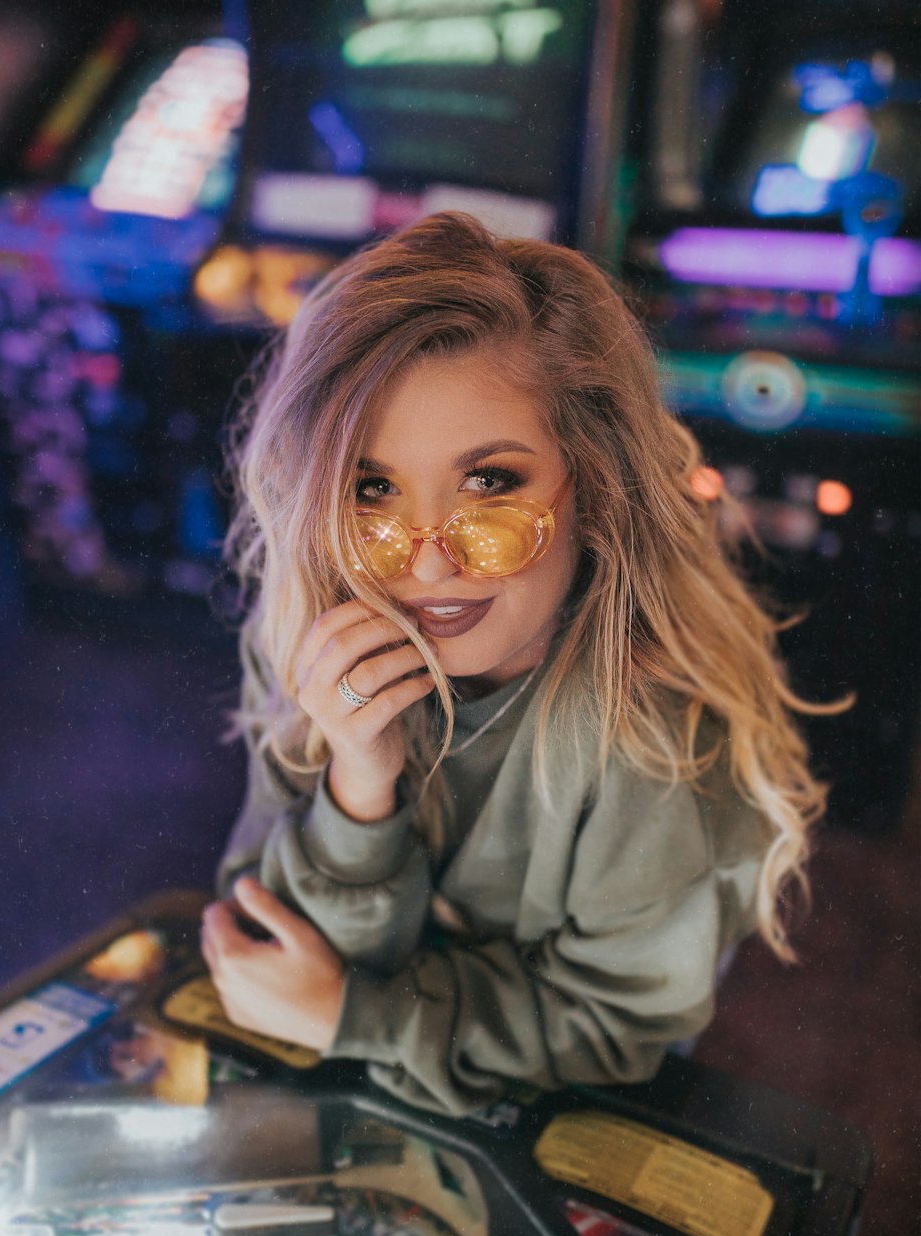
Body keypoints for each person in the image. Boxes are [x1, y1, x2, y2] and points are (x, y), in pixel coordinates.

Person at [202, 212, 829, 1117]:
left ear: (595, 479)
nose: (425, 564)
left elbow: (614, 1029)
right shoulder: (317, 622)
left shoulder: (657, 735)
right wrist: (359, 784)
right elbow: (262, 941)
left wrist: (358, 1014)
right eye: (372, 488)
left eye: (490, 484)